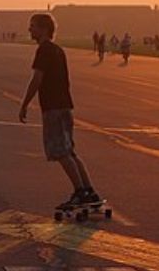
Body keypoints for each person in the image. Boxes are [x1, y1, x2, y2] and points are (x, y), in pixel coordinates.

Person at [18, 13, 101, 209]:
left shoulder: (44, 50)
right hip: (65, 105)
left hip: (53, 108)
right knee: (69, 151)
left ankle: (80, 192)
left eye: (33, 26)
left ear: (44, 29)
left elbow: (37, 79)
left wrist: (24, 104)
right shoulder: (58, 50)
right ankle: (89, 190)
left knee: (60, 152)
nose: (29, 30)